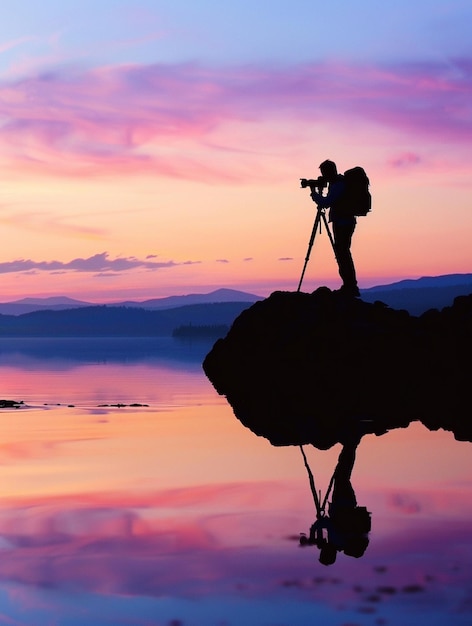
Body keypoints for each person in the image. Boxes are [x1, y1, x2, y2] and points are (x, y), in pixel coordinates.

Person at [299, 434, 371, 565]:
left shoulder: (337, 542)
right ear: (328, 553)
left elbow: (325, 524)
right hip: (343, 502)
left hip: (344, 502)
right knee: (342, 476)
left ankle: (350, 445)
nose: (322, 550)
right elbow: (326, 523)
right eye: (323, 553)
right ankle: (351, 444)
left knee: (342, 475)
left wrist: (316, 536)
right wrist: (314, 532)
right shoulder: (337, 540)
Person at [310, 160, 360, 297]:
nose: (323, 176)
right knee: (342, 253)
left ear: (328, 172)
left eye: (324, 173)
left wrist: (314, 193)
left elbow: (326, 203)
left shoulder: (339, 185)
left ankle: (350, 286)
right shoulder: (337, 184)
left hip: (343, 223)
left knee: (342, 254)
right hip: (342, 222)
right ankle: (349, 285)